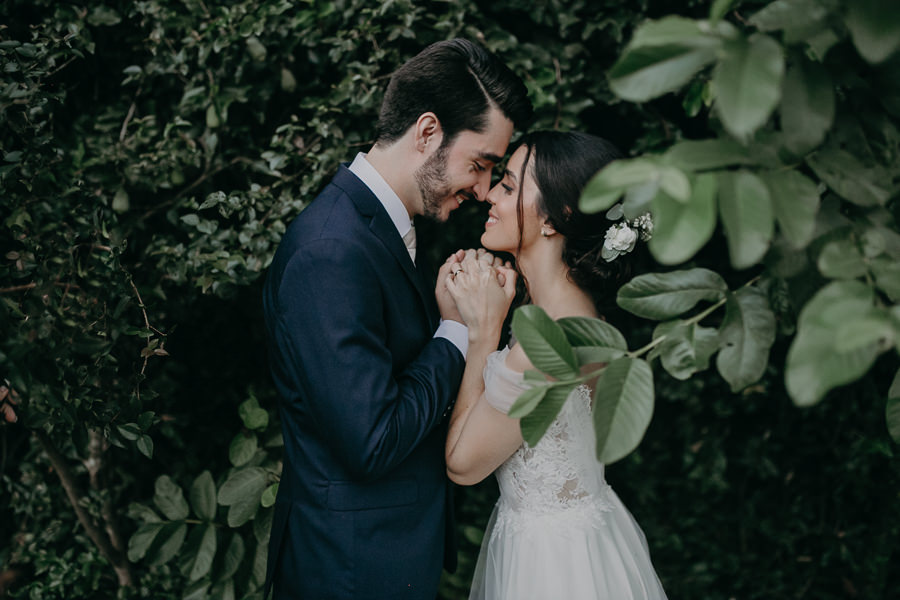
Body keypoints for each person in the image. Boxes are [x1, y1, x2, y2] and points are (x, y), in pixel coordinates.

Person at [261, 38, 531, 599]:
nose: (483, 189)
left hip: (384, 558)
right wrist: (454, 331)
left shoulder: (384, 229)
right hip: (348, 571)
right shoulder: (331, 250)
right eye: (479, 165)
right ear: (427, 132)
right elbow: (373, 440)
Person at [444, 131, 667, 600]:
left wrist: (482, 332)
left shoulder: (547, 342)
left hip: (551, 566)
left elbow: (463, 466)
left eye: (508, 185)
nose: (489, 195)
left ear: (554, 218)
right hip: (582, 543)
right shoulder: (578, 317)